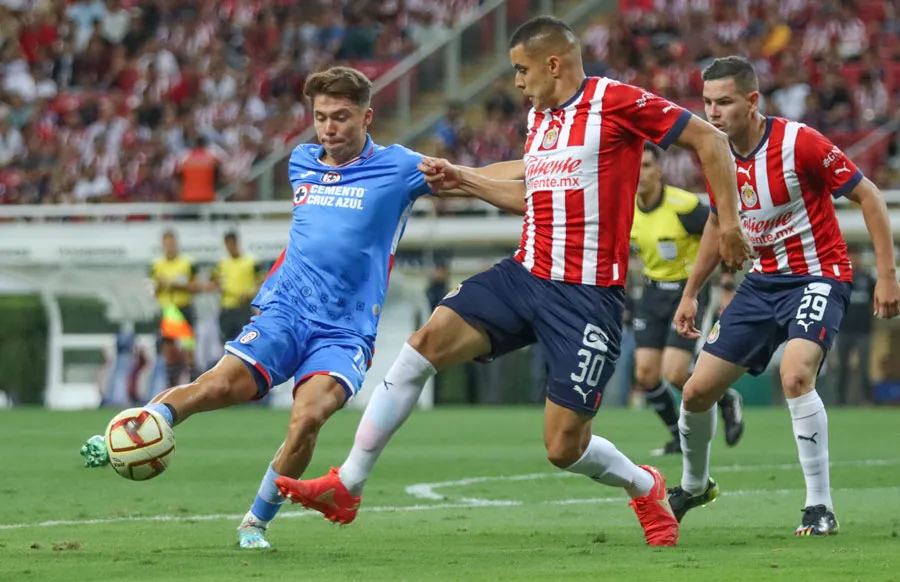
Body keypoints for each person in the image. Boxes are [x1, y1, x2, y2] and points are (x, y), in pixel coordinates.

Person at [274, 16, 750, 548]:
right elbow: (531, 197)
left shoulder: (616, 103)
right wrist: (465, 180)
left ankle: (643, 484)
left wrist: (729, 222)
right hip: (525, 273)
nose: (517, 82)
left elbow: (709, 139)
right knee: (422, 346)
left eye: (522, 70)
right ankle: (349, 484)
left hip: (586, 297)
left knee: (563, 447)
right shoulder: (539, 118)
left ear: (554, 64)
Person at [79, 66, 494, 551]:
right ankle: (131, 429)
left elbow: (470, 178)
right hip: (285, 312)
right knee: (216, 385)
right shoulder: (301, 162)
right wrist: (126, 436)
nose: (329, 127)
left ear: (367, 116)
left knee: (307, 420)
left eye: (341, 116)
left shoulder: (401, 167)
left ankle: (254, 522)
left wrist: (540, 168)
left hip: (345, 332)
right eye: (320, 117)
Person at [667, 56, 900, 536]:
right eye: (707, 102)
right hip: (762, 282)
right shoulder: (715, 154)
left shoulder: (800, 143)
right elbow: (717, 222)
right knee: (695, 391)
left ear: (752, 101)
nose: (713, 112)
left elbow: (870, 196)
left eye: (725, 102)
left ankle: (820, 506)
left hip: (818, 276)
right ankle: (694, 485)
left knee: (795, 375)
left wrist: (887, 275)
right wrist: (691, 292)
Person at [630, 143, 744, 455]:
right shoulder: (625, 208)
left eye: (647, 166)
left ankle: (726, 399)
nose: (639, 173)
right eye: (634, 166)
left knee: (676, 372)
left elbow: (722, 235)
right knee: (645, 374)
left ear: (660, 171)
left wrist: (726, 284)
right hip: (652, 292)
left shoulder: (684, 206)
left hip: (687, 293)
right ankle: (676, 436)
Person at [149, 231, 199, 385]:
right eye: (166, 243)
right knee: (168, 350)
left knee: (188, 348)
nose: (169, 246)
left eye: (172, 243)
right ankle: (171, 383)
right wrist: (160, 285)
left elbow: (195, 286)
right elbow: (152, 289)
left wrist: (176, 285)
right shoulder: (157, 265)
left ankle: (192, 380)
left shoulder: (187, 263)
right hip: (168, 310)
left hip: (183, 307)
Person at [833, 245, 876, 404]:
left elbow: (875, 302)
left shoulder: (868, 278)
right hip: (843, 329)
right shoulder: (840, 278)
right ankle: (840, 401)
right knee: (842, 367)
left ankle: (867, 400)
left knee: (865, 367)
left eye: (857, 255)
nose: (854, 259)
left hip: (864, 331)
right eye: (851, 255)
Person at [208, 232, 263, 345]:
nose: (229, 248)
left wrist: (251, 293)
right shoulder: (222, 263)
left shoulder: (251, 261)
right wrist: (217, 285)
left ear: (237, 243)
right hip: (227, 308)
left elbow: (262, 282)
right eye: (227, 245)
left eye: (232, 244)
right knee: (226, 342)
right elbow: (212, 281)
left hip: (243, 308)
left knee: (246, 341)